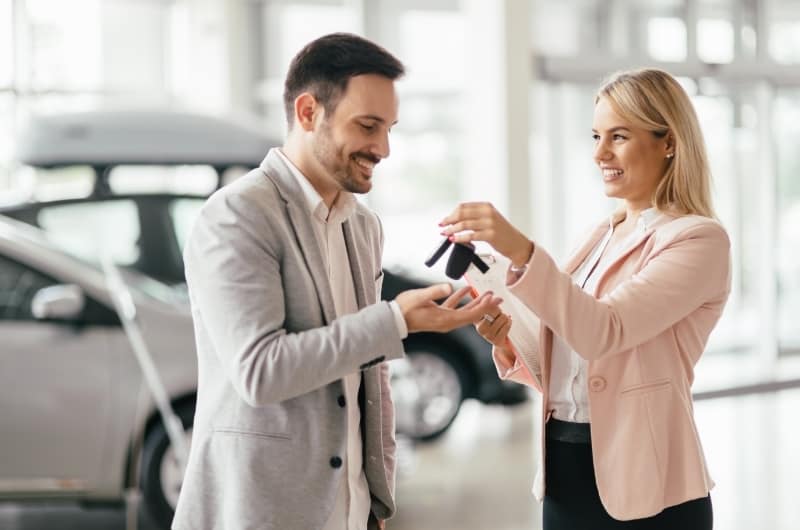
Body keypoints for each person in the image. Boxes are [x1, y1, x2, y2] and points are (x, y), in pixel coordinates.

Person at [172, 33, 500, 530]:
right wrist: (395, 320)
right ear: (308, 113)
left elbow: (370, 377)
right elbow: (261, 372)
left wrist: (375, 498)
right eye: (368, 126)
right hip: (261, 511)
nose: (383, 148)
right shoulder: (238, 215)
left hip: (349, 512)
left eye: (389, 128)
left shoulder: (363, 226)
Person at [439, 68, 730, 529]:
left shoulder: (698, 240)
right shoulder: (599, 236)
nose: (599, 153)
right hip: (564, 469)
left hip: (651, 485)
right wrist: (510, 341)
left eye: (619, 136)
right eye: (596, 135)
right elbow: (571, 355)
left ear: (668, 142)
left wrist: (523, 250)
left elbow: (604, 332)